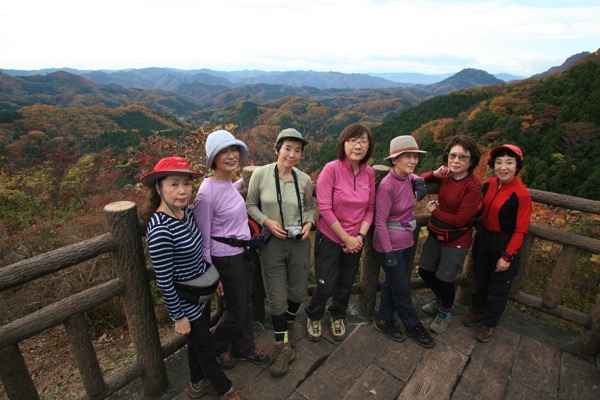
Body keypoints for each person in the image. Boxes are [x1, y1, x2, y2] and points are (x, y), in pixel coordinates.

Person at [139, 157, 243, 400]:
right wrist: (178, 317)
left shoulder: (185, 212)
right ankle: (226, 390)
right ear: (158, 188)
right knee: (205, 347)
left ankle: (197, 384)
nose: (183, 190)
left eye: (186, 183)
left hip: (200, 292)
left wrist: (212, 277)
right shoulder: (160, 230)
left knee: (197, 343)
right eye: (174, 184)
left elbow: (198, 252)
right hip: (186, 301)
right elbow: (164, 281)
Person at [193, 130, 269, 370]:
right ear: (213, 158)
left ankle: (243, 347)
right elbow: (203, 237)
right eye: (223, 151)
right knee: (236, 310)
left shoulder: (225, 183)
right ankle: (214, 349)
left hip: (240, 254)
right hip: (224, 259)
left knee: (244, 304)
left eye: (234, 149)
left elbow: (228, 193)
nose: (231, 155)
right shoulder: (205, 194)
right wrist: (211, 273)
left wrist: (246, 182)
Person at [246, 128, 315, 377]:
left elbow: (309, 207)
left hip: (298, 241)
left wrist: (309, 223)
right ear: (277, 149)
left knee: (297, 289)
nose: (292, 155)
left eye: (297, 150)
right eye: (287, 148)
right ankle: (282, 346)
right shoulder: (261, 175)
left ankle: (288, 322)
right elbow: (250, 204)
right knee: (276, 295)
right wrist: (266, 221)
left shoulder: (304, 179)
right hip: (271, 242)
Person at [305, 123, 375, 342]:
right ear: (343, 144)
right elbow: (324, 209)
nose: (358, 145)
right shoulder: (331, 169)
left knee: (345, 282)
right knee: (325, 283)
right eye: (352, 140)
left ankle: (338, 314)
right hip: (330, 236)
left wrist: (360, 237)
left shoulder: (369, 173)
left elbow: (370, 208)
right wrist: (346, 238)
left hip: (356, 238)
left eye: (363, 141)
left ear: (369, 146)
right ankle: (314, 315)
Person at [463, 144, 532, 342]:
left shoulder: (521, 194)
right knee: (480, 278)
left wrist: (507, 256)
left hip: (504, 241)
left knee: (498, 287)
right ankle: (477, 311)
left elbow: (521, 230)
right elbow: (481, 209)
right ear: (493, 165)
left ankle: (489, 323)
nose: (503, 167)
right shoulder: (488, 184)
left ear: (517, 166)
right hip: (484, 237)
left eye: (509, 163)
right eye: (499, 162)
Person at [373, 135, 435, 348]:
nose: (413, 161)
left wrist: (419, 179)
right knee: (402, 289)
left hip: (406, 242)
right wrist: (388, 252)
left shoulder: (408, 178)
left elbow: (411, 175)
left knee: (393, 284)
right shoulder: (387, 186)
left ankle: (384, 320)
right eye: (407, 156)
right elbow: (380, 221)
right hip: (389, 246)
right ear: (394, 160)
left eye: (415, 156)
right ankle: (413, 325)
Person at [418, 135, 482, 334]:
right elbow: (419, 179)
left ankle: (446, 311)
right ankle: (441, 300)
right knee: (425, 270)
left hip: (457, 239)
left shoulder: (473, 187)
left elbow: (461, 220)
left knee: (445, 278)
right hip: (437, 233)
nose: (456, 161)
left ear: (472, 161)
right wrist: (434, 173)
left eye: (463, 157)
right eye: (452, 156)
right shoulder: (446, 176)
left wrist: (434, 211)